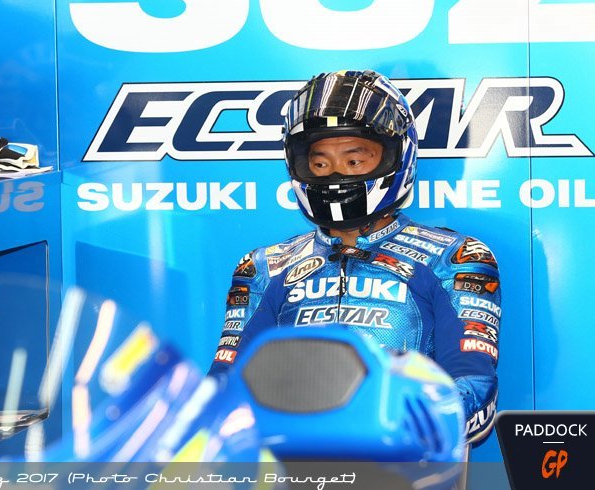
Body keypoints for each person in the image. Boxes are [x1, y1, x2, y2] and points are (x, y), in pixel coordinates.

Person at [208, 70, 500, 445]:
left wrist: (383, 426)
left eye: (354, 160)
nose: (335, 174)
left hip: (400, 464)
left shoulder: (453, 257)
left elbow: (474, 388)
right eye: (320, 163)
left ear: (396, 155)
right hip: (283, 463)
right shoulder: (264, 267)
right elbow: (223, 388)